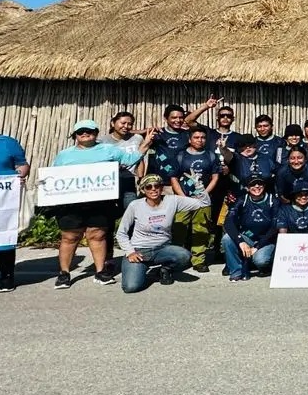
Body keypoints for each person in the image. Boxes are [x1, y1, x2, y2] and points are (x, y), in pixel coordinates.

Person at [50, 119, 155, 289]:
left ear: (96, 133)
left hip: (100, 201)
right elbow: (54, 177)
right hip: (71, 203)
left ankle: (100, 272)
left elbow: (131, 159)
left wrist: (146, 144)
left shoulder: (109, 150)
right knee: (70, 237)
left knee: (97, 235)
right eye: (81, 131)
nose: (85, 133)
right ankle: (64, 273)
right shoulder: (64, 155)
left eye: (89, 130)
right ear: (75, 135)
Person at [116, 174, 211, 293]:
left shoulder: (172, 200)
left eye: (157, 186)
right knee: (131, 287)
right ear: (143, 190)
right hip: (139, 251)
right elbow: (121, 233)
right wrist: (130, 252)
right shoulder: (135, 205)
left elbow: (204, 204)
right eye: (148, 187)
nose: (153, 189)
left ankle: (164, 269)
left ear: (162, 188)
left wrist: (199, 187)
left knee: (184, 256)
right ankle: (140, 268)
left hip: (162, 249)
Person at [0, 109, 29, 292]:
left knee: (2, 235)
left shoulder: (8, 143)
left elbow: (22, 164)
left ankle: (6, 276)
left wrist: (20, 175)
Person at [170, 126, 224, 272]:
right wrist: (182, 196)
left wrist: (204, 194)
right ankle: (176, 259)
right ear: (189, 139)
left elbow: (215, 177)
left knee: (201, 229)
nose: (200, 140)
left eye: (203, 137)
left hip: (203, 199)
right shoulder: (180, 156)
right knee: (179, 227)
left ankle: (198, 260)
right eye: (196, 137)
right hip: (183, 198)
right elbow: (173, 178)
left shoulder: (211, 156)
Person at [221, 175, 279, 280]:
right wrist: (240, 241)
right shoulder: (242, 200)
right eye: (253, 184)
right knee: (227, 238)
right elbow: (228, 222)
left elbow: (275, 227)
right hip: (248, 237)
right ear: (248, 187)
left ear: (264, 186)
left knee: (260, 261)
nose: (257, 186)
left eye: (260, 184)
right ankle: (236, 271)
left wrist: (257, 247)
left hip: (266, 240)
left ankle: (264, 265)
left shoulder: (273, 201)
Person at [100, 110, 145, 211]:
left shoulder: (137, 138)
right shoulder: (102, 141)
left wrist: (141, 177)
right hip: (109, 181)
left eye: (130, 124)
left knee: (131, 209)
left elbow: (140, 160)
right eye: (123, 123)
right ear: (113, 123)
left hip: (128, 179)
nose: (126, 126)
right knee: (108, 211)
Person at [228, 134, 276, 198]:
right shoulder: (236, 159)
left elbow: (275, 174)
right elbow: (227, 155)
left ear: (255, 144)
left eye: (250, 145)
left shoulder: (266, 158)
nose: (247, 147)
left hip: (265, 195)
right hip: (242, 196)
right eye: (243, 145)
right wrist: (223, 148)